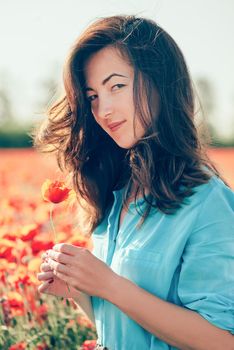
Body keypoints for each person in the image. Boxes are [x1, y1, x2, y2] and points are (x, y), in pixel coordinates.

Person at [34, 15, 234, 350]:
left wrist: (109, 285)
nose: (103, 110)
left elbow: (222, 341)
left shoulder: (208, 202)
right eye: (93, 95)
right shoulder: (120, 192)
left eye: (116, 86)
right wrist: (83, 293)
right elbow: (125, 328)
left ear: (161, 83)